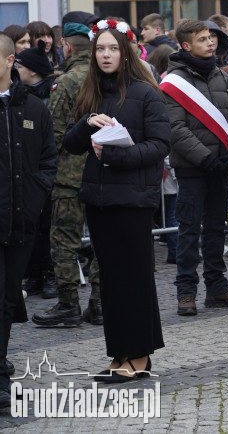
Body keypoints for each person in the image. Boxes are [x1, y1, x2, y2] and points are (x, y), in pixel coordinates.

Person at [63, 21, 169, 382]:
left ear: (126, 53)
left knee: (134, 278)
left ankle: (140, 355)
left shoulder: (147, 93)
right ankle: (119, 353)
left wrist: (113, 155)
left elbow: (159, 145)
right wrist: (88, 122)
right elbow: (71, 143)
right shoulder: (90, 93)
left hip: (134, 200)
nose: (105, 55)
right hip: (99, 199)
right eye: (100, 49)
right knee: (109, 280)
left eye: (112, 48)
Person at [161, 20, 228, 317]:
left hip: (220, 166)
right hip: (192, 168)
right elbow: (176, 129)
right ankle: (186, 292)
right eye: (202, 39)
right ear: (185, 45)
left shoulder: (219, 76)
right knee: (189, 230)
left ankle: (217, 287)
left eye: (211, 38)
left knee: (217, 227)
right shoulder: (174, 81)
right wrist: (206, 159)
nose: (210, 43)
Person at [32, 20, 102, 329]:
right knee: (103, 241)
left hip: (70, 176)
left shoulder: (68, 81)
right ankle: (100, 304)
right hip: (105, 172)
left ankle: (68, 304)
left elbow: (54, 133)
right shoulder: (109, 77)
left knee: (63, 240)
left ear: (67, 47)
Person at [0, 33, 58, 408]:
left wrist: (35, 198)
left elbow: (48, 161)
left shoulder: (33, 107)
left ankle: (1, 372)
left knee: (7, 300)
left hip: (20, 222)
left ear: (9, 62)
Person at [13, 42, 58, 298]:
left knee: (48, 229)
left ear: (33, 71)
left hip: (46, 175)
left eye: (20, 65)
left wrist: (44, 177)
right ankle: (34, 275)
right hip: (26, 176)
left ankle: (50, 276)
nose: (16, 69)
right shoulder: (20, 97)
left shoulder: (48, 98)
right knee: (32, 229)